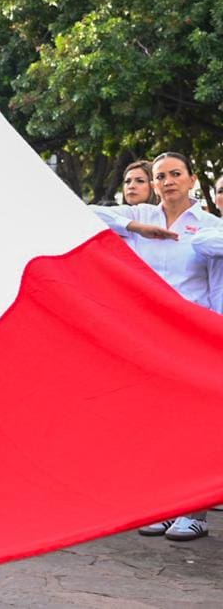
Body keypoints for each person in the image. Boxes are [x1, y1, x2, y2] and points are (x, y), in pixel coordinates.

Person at [94, 151, 223, 541]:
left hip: (193, 333)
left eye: (176, 174)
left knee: (195, 424)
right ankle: (164, 507)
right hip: (149, 333)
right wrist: (136, 226)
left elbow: (216, 285)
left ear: (192, 179)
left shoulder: (209, 227)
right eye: (161, 176)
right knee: (157, 421)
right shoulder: (142, 216)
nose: (168, 181)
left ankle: (194, 511)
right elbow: (87, 215)